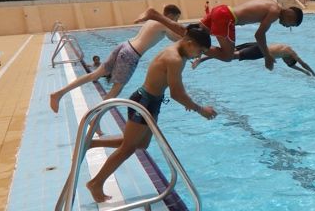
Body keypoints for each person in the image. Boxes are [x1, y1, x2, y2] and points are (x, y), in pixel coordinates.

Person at [85, 27, 217, 202]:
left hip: (151, 102)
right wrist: (200, 110)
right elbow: (176, 94)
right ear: (190, 43)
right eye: (199, 52)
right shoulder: (175, 58)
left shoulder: (179, 50)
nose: (198, 57)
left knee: (141, 144)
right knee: (127, 148)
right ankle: (95, 183)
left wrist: (188, 102)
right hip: (143, 103)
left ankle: (91, 143)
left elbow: (176, 91)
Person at [49, 4, 184, 113]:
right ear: (170, 16)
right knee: (116, 89)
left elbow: (172, 37)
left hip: (124, 45)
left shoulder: (152, 20)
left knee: (94, 75)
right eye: (176, 19)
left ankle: (58, 93)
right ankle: (95, 118)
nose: (176, 22)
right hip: (131, 54)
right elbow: (176, 37)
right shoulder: (164, 24)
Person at [139, 0, 303, 70]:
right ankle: (201, 48)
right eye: (291, 25)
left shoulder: (271, 4)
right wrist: (267, 56)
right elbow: (259, 36)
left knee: (188, 34)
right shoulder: (275, 12)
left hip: (222, 10)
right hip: (227, 18)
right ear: (291, 16)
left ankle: (155, 15)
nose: (286, 26)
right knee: (227, 56)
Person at [234, 41, 315, 78]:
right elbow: (303, 63)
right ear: (290, 58)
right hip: (258, 51)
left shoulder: (284, 54)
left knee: (233, 50)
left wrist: (304, 72)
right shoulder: (289, 51)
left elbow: (292, 66)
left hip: (258, 45)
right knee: (231, 56)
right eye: (287, 62)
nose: (285, 62)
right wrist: (313, 73)